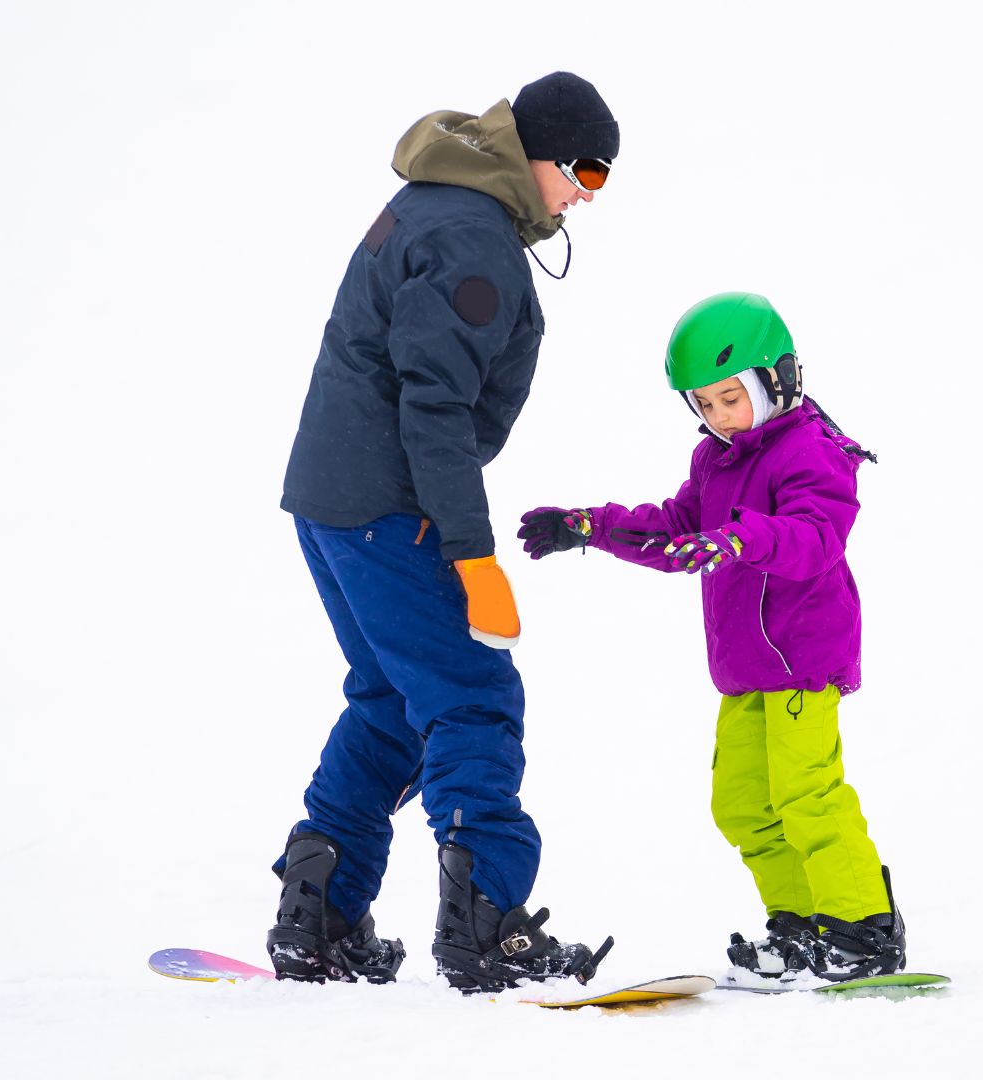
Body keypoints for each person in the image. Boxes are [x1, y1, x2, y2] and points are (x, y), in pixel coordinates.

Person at [271, 72, 619, 993]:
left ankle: (319, 912)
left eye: (604, 175)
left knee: (392, 699)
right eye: (582, 166)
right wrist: (473, 553)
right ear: (531, 151)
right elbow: (434, 411)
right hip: (390, 509)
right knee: (471, 698)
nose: (587, 189)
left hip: (333, 500)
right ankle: (486, 924)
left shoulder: (437, 205)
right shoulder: (473, 241)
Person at [516, 292, 907, 982]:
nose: (720, 417)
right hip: (748, 667)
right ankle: (798, 924)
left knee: (807, 793)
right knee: (742, 803)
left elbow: (816, 539)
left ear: (777, 380)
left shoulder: (812, 452)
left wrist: (738, 538)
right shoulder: (717, 462)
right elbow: (674, 529)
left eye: (732, 398)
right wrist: (591, 527)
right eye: (704, 405)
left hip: (802, 659)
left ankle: (863, 926)